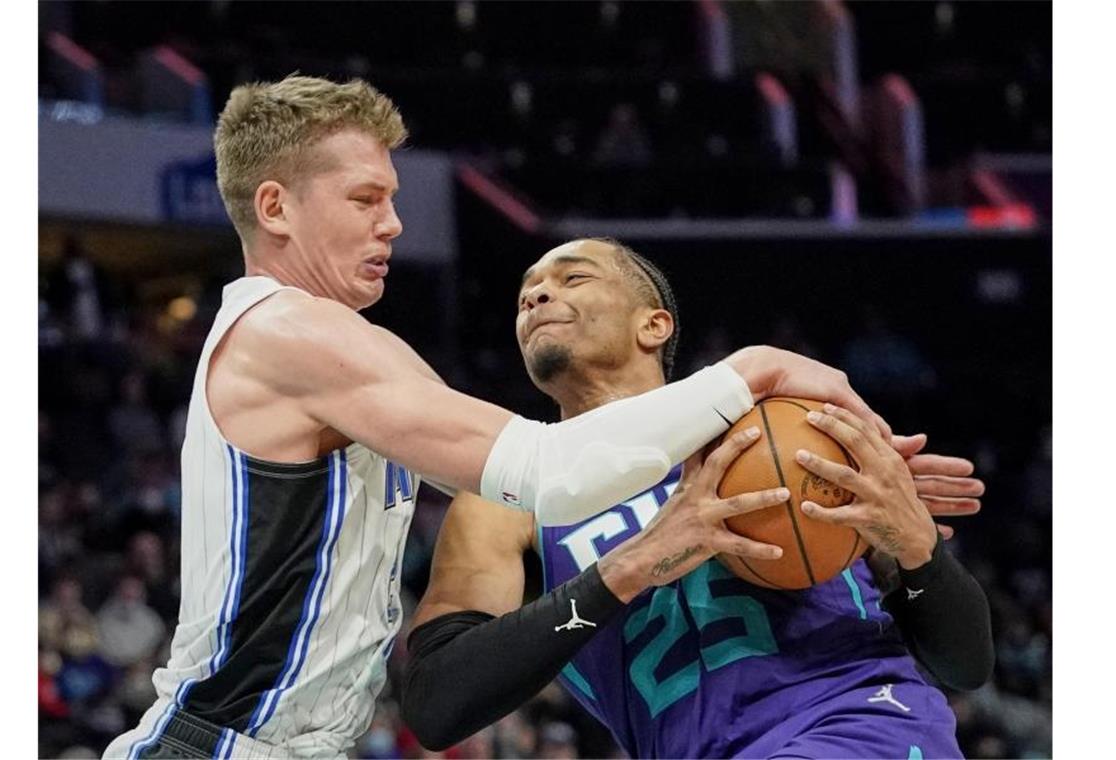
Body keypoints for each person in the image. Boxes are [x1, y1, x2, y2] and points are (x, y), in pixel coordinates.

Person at [102, 76, 884, 760]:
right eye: (366, 199)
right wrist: (753, 372)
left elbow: (551, 467)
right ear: (274, 206)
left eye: (394, 200)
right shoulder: (287, 332)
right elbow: (552, 473)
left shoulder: (359, 349)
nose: (393, 224)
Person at [401, 238, 994, 757]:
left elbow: (964, 664)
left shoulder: (777, 426)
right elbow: (436, 706)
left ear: (652, 326)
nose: (535, 298)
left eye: (572, 277)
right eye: (525, 295)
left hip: (860, 723)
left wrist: (917, 547)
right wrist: (629, 568)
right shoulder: (505, 503)